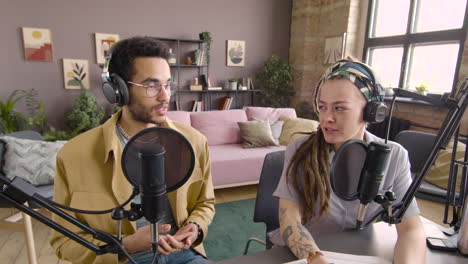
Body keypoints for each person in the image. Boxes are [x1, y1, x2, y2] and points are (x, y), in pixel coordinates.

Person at [50, 36, 215, 264]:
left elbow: (205, 203)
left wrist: (195, 227)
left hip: (183, 255)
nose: (165, 96)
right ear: (118, 90)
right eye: (151, 85)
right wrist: (125, 246)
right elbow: (63, 241)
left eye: (168, 84)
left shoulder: (195, 142)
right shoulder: (73, 156)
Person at [268, 59, 426, 264]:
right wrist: (315, 258)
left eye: (339, 108)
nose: (327, 118)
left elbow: (411, 229)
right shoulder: (299, 150)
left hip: (357, 249)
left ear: (371, 111)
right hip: (300, 254)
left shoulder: (395, 157)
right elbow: (289, 217)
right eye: (322, 107)